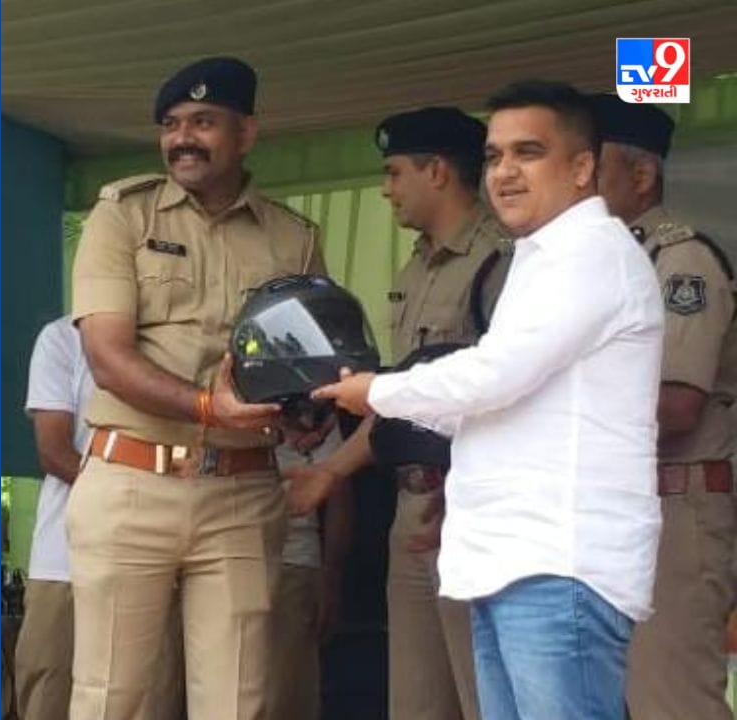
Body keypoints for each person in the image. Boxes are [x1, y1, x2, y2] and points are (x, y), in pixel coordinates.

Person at [305, 80, 665, 720]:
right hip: (509, 557)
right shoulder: (541, 256)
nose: (504, 171)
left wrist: (378, 391)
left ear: (582, 167)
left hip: (559, 563)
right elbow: (493, 398)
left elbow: (495, 375)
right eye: (495, 155)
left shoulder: (589, 253)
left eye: (529, 152)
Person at [67, 56, 325, 720]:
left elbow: (309, 359)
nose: (182, 138)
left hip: (242, 490)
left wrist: (308, 413)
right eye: (172, 124)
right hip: (131, 483)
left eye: (203, 122)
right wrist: (210, 406)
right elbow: (107, 357)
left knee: (239, 701)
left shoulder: (294, 237)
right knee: (111, 698)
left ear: (247, 133)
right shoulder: (123, 215)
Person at [292, 106, 509, 720]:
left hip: (473, 509)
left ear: (436, 171)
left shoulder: (503, 261)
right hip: (411, 506)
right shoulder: (415, 266)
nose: (386, 189)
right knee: (415, 701)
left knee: (485, 699)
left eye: (394, 173)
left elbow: (508, 396)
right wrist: (330, 472)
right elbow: (400, 399)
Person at [590, 94, 737, 720]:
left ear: (642, 174)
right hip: (613, 509)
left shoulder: (680, 262)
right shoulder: (597, 267)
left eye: (590, 164)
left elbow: (676, 406)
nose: (574, 181)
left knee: (671, 701)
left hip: (674, 505)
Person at [14, 316, 184, 720]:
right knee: (49, 691)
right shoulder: (62, 338)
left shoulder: (178, 343)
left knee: (145, 700)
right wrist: (129, 494)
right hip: (64, 561)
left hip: (154, 562)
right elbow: (54, 451)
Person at [266, 429, 352, 720]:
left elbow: (338, 488)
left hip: (293, 557)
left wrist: (330, 577)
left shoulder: (312, 409)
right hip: (213, 550)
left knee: (286, 694)